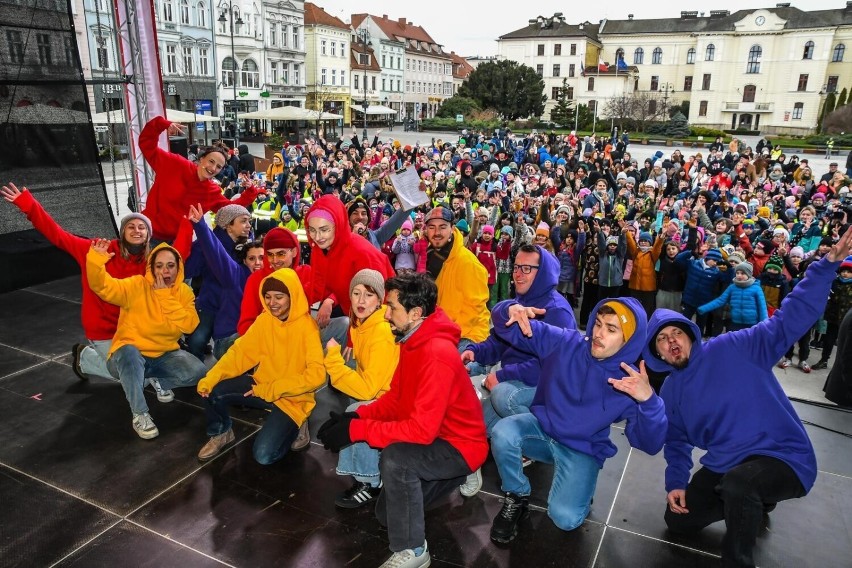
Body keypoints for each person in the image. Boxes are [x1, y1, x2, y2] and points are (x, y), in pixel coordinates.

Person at [643, 227, 852, 568]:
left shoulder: (734, 346)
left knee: (741, 486)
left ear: (691, 334)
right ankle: (754, 502)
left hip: (783, 457)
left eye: (677, 333)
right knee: (678, 520)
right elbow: (677, 442)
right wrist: (677, 482)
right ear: (659, 355)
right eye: (662, 340)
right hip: (728, 464)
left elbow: (788, 321)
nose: (672, 342)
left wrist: (827, 265)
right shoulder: (671, 391)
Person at [317, 273, 488, 568]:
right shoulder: (412, 339)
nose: (386, 313)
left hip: (459, 443)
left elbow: (420, 431)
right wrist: (357, 415)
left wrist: (357, 430)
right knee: (386, 515)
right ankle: (459, 475)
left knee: (398, 459)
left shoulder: (435, 353)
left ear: (416, 313)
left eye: (392, 306)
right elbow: (397, 398)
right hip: (439, 433)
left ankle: (414, 551)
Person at [486, 297, 666, 543]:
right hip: (543, 429)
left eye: (611, 329)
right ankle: (516, 495)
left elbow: (649, 444)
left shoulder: (628, 382)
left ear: (628, 340)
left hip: (581, 448)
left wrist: (649, 402)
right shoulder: (565, 342)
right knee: (503, 431)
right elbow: (506, 325)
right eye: (598, 324)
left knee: (566, 519)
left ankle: (582, 482)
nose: (599, 334)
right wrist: (508, 309)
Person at [1, 182, 189, 382]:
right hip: (104, 330)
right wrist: (29, 205)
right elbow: (58, 235)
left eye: (142, 227)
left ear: (148, 235)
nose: (136, 230)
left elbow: (178, 257)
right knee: (135, 378)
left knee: (145, 371)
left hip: (135, 329)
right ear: (122, 231)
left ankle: (96, 360)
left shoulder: (152, 261)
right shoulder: (98, 249)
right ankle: (85, 359)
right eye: (131, 227)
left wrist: (189, 224)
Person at [196, 268, 325, 463]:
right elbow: (240, 353)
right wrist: (212, 377)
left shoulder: (308, 328)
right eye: (268, 296)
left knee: (264, 456)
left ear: (292, 296)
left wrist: (272, 389)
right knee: (212, 388)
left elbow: (317, 376)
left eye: (279, 297)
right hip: (260, 387)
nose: (272, 303)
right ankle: (222, 432)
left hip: (292, 399)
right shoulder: (264, 320)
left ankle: (298, 424)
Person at [86, 241, 207, 439]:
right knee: (129, 355)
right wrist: (96, 260)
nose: (164, 271)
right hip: (131, 355)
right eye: (159, 265)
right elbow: (103, 286)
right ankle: (140, 413)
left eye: (170, 265)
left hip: (164, 354)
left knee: (198, 372)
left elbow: (190, 325)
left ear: (179, 268)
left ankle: (155, 379)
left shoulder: (184, 293)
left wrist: (164, 296)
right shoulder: (136, 285)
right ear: (151, 268)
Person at [463, 244, 576, 436]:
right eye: (516, 267)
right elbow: (499, 340)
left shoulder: (557, 311)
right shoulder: (521, 301)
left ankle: (546, 438)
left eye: (526, 268)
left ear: (543, 273)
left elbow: (550, 366)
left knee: (503, 397)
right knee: (475, 431)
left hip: (545, 385)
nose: (518, 274)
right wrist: (475, 352)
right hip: (515, 377)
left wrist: (501, 376)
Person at [324, 270, 399, 509]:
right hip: (383, 393)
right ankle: (367, 475)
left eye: (369, 295)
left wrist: (333, 360)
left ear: (379, 300)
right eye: (356, 293)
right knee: (353, 408)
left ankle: (369, 483)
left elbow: (367, 390)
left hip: (396, 401)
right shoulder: (362, 325)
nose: (361, 300)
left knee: (357, 411)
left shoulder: (380, 332)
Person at [138, 117, 260, 242]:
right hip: (146, 233)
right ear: (201, 159)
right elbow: (146, 144)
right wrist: (162, 124)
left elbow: (230, 209)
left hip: (177, 242)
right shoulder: (176, 164)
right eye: (211, 161)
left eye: (218, 166)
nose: (213, 168)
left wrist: (250, 191)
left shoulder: (211, 191)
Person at [422, 206, 490, 375]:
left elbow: (474, 311)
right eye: (432, 227)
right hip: (444, 329)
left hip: (468, 336)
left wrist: (444, 338)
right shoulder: (434, 255)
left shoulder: (467, 263)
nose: (437, 232)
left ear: (452, 229)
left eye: (442, 227)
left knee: (447, 371)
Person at [184, 203, 253, 360]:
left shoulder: (248, 247)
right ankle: (196, 373)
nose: (249, 225)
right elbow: (189, 270)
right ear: (228, 226)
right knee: (197, 341)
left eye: (249, 221)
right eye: (243, 221)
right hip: (210, 304)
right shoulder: (205, 245)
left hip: (235, 307)